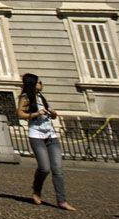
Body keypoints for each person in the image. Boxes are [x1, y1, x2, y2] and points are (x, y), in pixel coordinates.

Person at [16, 73, 76, 211]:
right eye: (39, 82)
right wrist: (36, 114)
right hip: (36, 135)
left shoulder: (41, 97)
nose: (41, 84)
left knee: (58, 169)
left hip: (51, 135)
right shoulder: (25, 98)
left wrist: (52, 114)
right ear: (33, 84)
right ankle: (36, 190)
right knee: (44, 168)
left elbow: (49, 115)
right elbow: (20, 114)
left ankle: (62, 201)